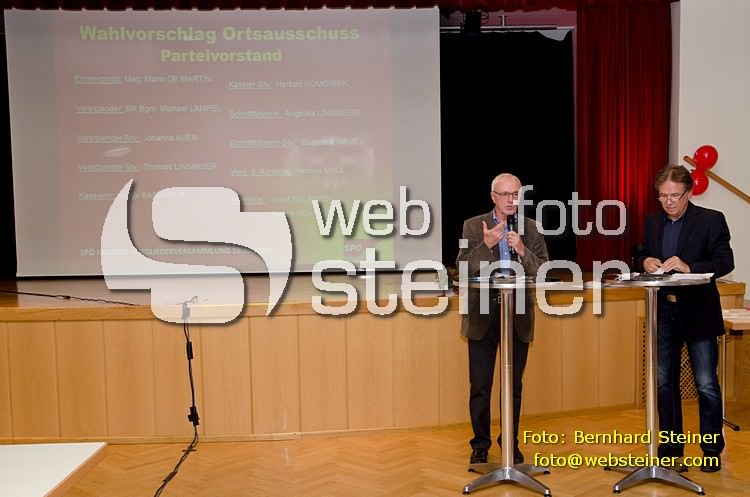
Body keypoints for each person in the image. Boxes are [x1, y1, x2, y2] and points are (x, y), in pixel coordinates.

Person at [635, 164, 734, 473]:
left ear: (688, 193)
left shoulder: (710, 220)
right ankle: (670, 449)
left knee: (706, 384)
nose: (669, 202)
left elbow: (725, 261)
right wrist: (644, 261)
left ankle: (711, 450)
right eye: (663, 196)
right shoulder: (653, 222)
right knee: (665, 383)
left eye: (675, 196)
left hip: (699, 312)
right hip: (664, 312)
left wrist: (690, 267)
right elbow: (640, 252)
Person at [456, 173, 549, 465]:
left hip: (517, 316)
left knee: (513, 387)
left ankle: (510, 442)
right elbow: (461, 267)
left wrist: (522, 249)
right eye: (505, 194)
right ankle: (480, 444)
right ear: (493, 196)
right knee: (480, 386)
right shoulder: (472, 226)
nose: (511, 200)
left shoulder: (531, 228)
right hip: (482, 315)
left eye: (515, 194)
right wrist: (485, 245)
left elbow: (544, 271)